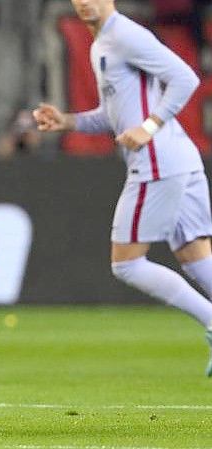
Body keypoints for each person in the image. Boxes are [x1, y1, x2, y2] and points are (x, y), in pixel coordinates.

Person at [33, 0, 212, 376]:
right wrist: (67, 121)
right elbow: (114, 117)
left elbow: (186, 78)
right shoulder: (103, 42)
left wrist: (149, 127)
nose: (83, 2)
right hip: (180, 158)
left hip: (158, 161)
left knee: (127, 264)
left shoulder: (125, 34)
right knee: (197, 258)